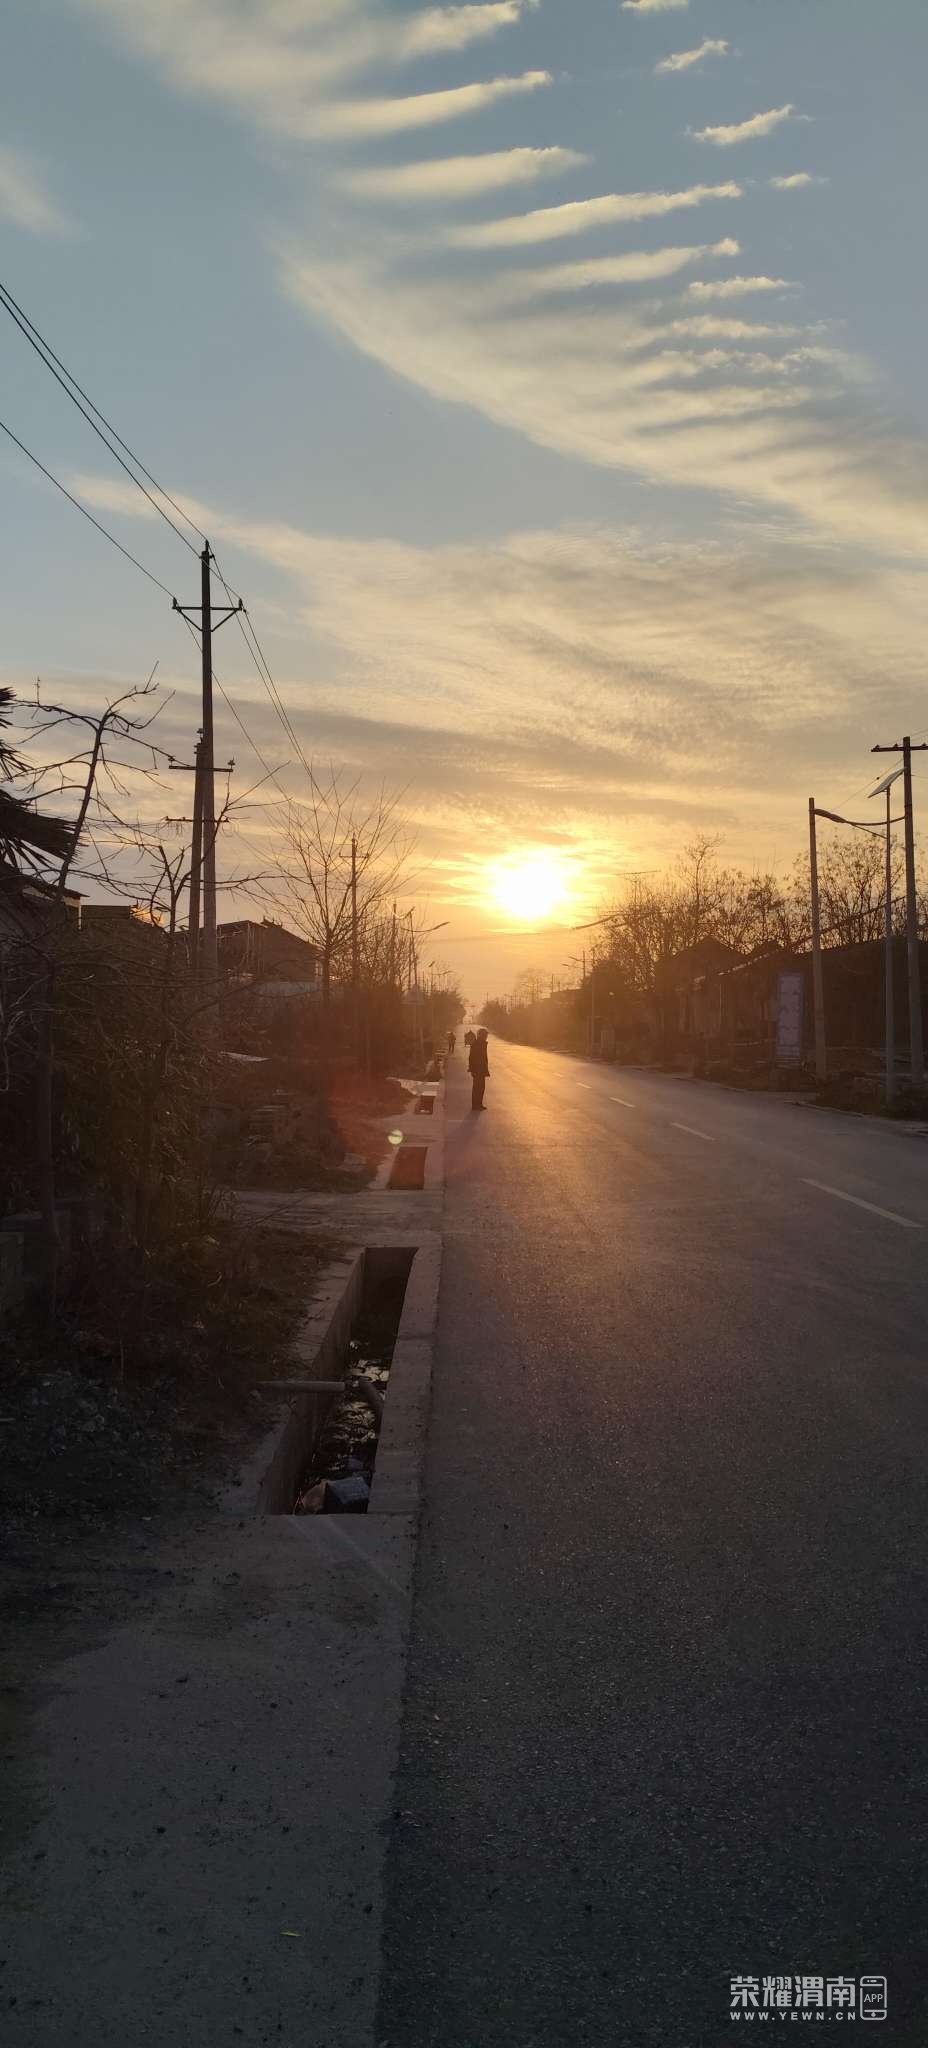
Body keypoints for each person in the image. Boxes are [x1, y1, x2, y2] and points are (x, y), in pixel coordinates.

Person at [468, 1026, 490, 1111]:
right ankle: (476, 1105)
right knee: (478, 1088)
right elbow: (472, 1057)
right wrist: (472, 1068)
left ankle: (478, 1104)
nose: (486, 1036)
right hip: (478, 1070)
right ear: (482, 1035)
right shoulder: (478, 1044)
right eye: (485, 1035)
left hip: (480, 1069)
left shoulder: (480, 1043)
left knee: (479, 1088)